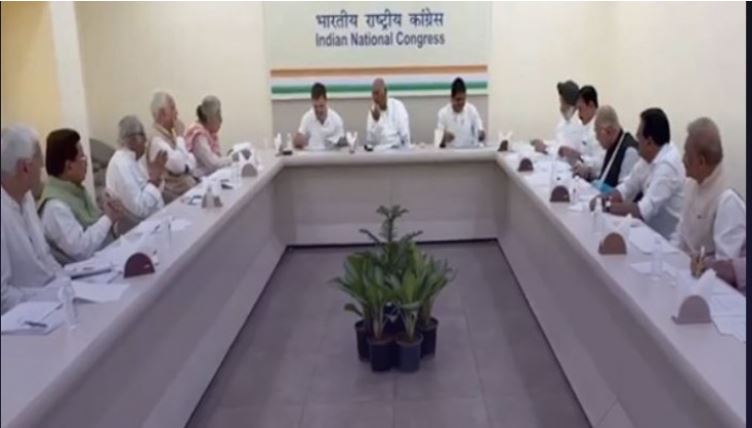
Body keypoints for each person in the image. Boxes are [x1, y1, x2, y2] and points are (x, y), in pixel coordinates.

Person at [592, 108, 685, 239]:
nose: (636, 137)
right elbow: (627, 187)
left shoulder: (668, 166)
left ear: (649, 142)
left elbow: (642, 211)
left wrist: (606, 206)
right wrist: (602, 198)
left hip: (667, 241)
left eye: (639, 135)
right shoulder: (648, 156)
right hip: (648, 232)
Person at [1, 125, 64, 313]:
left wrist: (66, 284)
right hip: (26, 317)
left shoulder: (26, 197)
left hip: (52, 302)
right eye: (39, 160)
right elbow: (3, 297)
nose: (43, 167)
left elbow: (45, 257)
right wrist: (49, 298)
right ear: (25, 168)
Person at [39, 129, 126, 263]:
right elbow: (81, 250)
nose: (86, 161)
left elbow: (97, 232)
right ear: (69, 167)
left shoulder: (77, 192)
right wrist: (108, 218)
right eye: (82, 157)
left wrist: (113, 218)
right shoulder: (55, 207)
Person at [671, 117, 745, 261]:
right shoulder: (691, 183)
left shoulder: (728, 200)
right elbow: (681, 235)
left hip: (709, 273)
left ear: (701, 162)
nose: (682, 159)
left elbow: (724, 263)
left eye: (686, 154)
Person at [106, 115, 166, 222]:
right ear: (133, 139)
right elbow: (140, 209)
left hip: (158, 218)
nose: (146, 141)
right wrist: (153, 180)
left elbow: (152, 191)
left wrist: (157, 177)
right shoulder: (120, 165)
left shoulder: (133, 159)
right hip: (141, 225)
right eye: (143, 135)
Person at [573, 105, 639, 192]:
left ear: (609, 131)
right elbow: (604, 174)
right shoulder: (612, 144)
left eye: (597, 132)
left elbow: (625, 193)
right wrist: (587, 173)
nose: (596, 138)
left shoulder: (630, 152)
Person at [149, 91, 198, 202]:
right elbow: (178, 166)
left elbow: (192, 159)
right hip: (173, 197)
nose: (177, 113)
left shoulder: (168, 134)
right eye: (172, 108)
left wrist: (186, 167)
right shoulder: (157, 140)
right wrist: (180, 136)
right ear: (162, 114)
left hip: (186, 190)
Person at [531, 80, 584, 154]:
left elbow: (565, 151)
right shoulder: (564, 121)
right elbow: (558, 143)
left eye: (562, 101)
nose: (561, 105)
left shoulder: (578, 125)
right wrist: (544, 143)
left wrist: (546, 148)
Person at [184, 95, 232, 176]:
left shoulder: (209, 134)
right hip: (198, 180)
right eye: (218, 115)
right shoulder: (198, 136)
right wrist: (233, 158)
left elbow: (217, 159)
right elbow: (213, 164)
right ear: (210, 117)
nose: (221, 119)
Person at [560, 85, 603, 170]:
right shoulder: (584, 126)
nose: (579, 114)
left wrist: (579, 156)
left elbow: (601, 163)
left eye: (580, 109)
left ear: (591, 105)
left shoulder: (600, 129)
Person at [293, 82, 345, 151]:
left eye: (321, 106)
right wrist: (297, 141)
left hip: (331, 156)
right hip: (311, 156)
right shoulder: (307, 118)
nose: (319, 110)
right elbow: (298, 142)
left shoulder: (336, 119)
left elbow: (342, 146)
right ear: (312, 102)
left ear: (326, 101)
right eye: (315, 107)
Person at [437, 77, 485, 148]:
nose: (461, 103)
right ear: (452, 98)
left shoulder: (472, 110)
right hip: (450, 153)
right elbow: (438, 142)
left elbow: (480, 129)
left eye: (463, 99)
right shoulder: (443, 113)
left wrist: (481, 134)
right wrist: (443, 138)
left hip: (469, 151)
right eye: (458, 99)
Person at [366, 78, 410, 149]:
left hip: (397, 151)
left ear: (385, 91)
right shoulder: (373, 111)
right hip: (378, 152)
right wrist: (376, 121)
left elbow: (405, 136)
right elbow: (370, 141)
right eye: (373, 94)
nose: (375, 97)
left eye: (377, 93)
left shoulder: (398, 106)